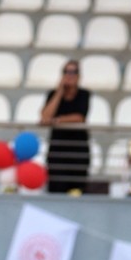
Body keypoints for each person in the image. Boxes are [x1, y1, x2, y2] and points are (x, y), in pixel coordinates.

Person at [40, 59, 91, 194]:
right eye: (67, 72)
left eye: (74, 72)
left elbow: (79, 117)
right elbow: (45, 117)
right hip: (58, 150)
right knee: (56, 189)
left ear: (79, 76)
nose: (70, 75)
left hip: (77, 151)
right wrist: (59, 92)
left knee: (76, 190)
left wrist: (57, 120)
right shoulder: (53, 94)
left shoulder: (84, 94)